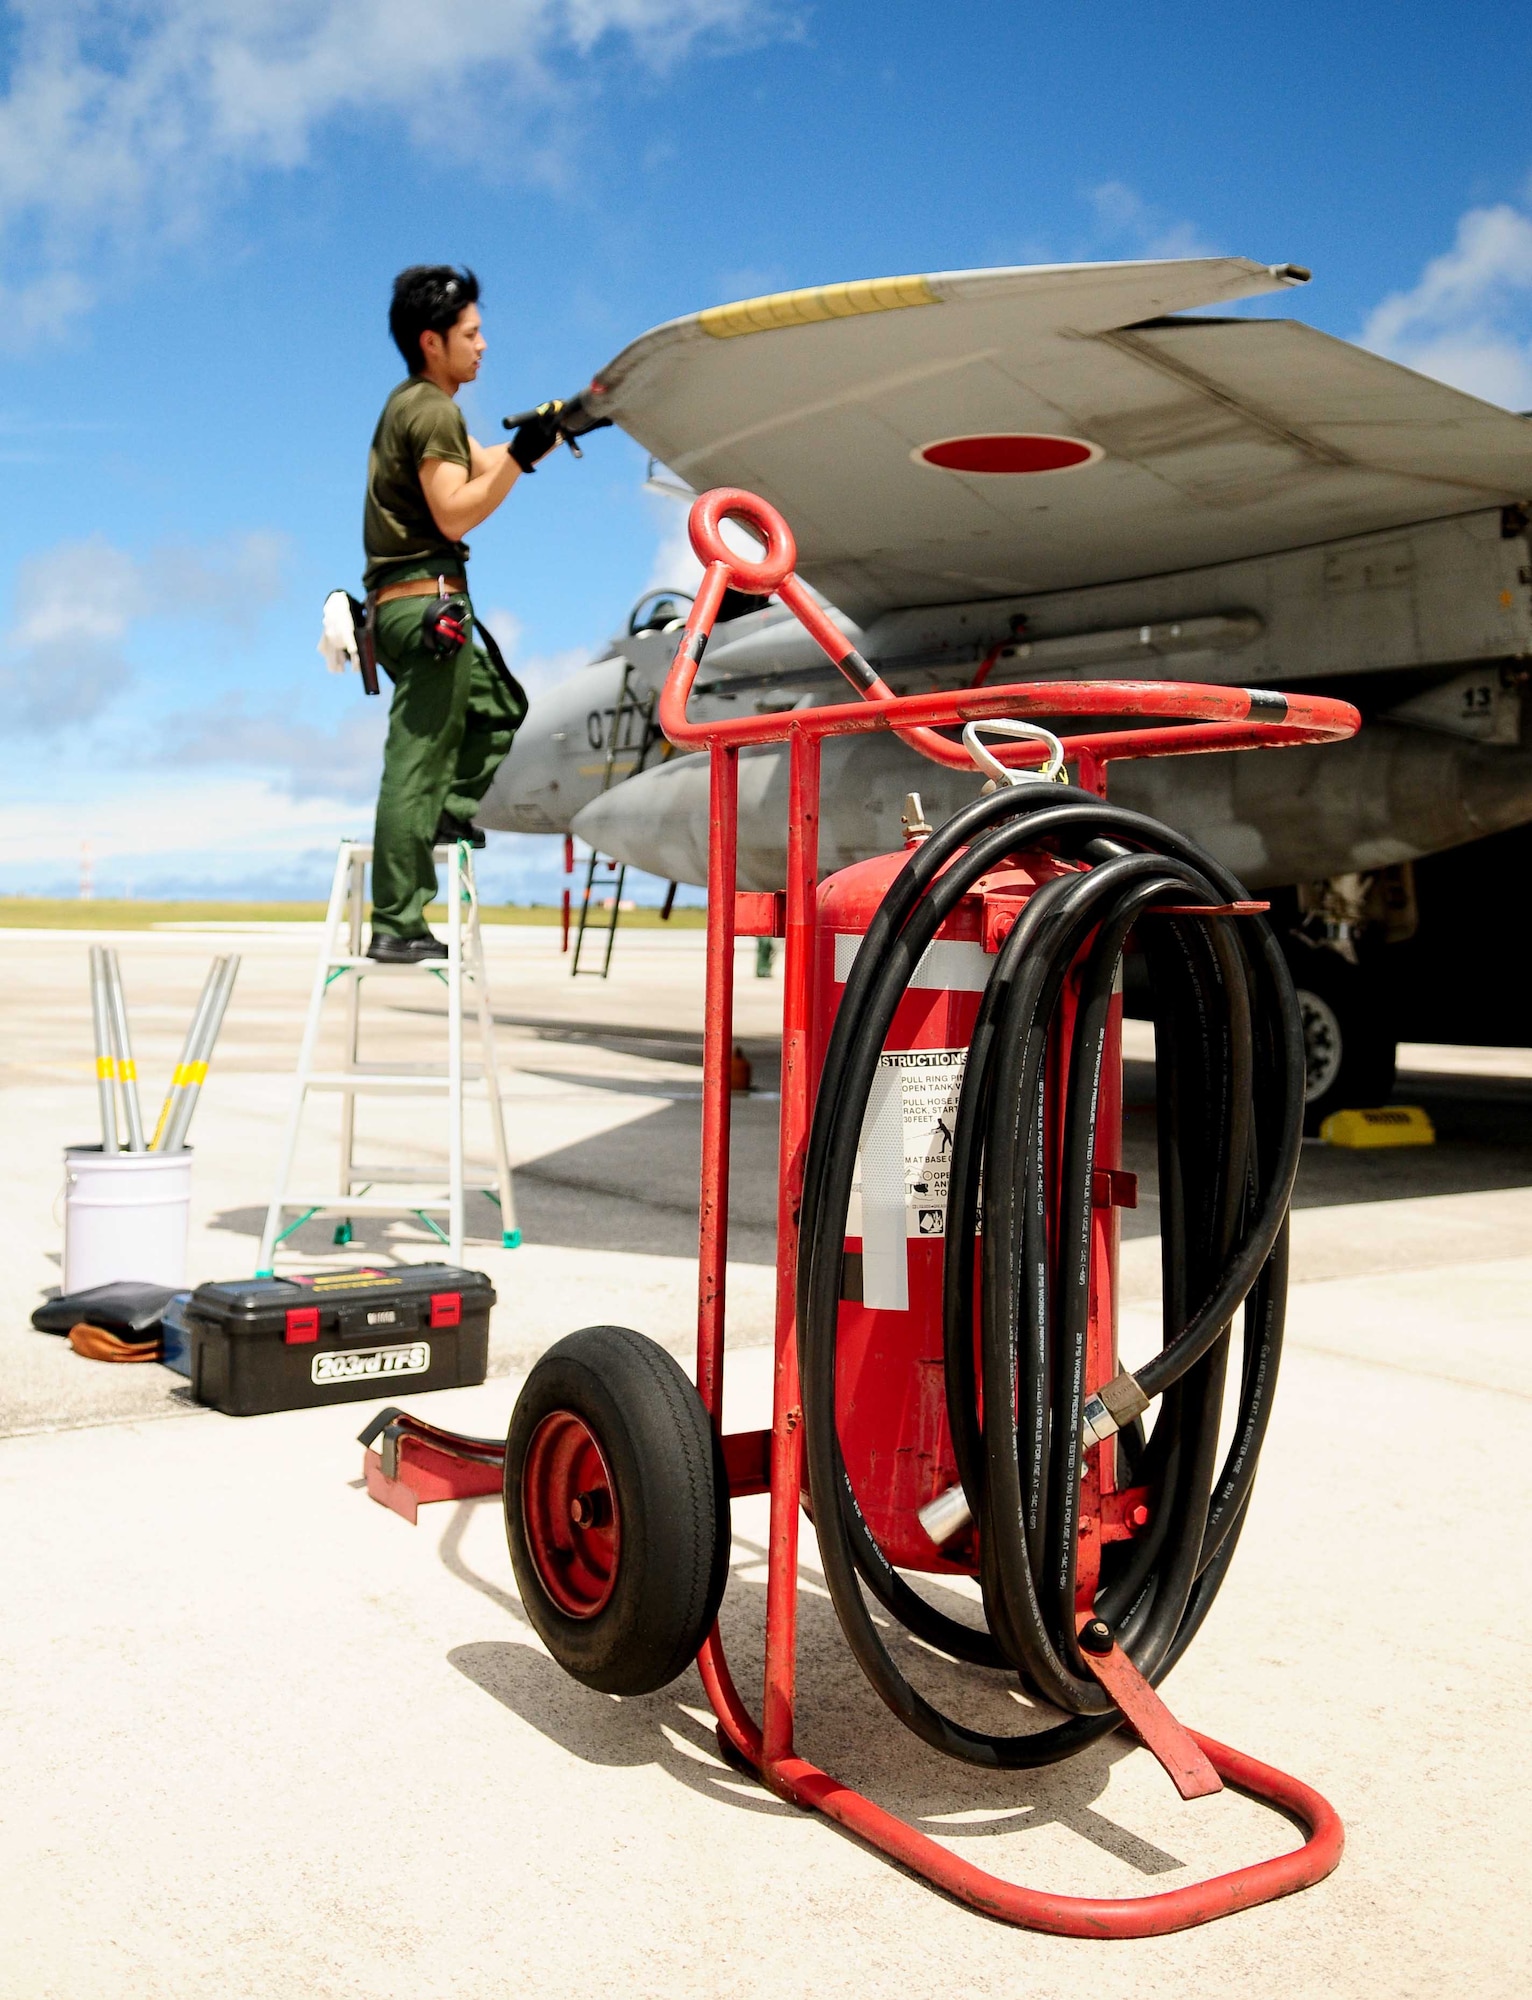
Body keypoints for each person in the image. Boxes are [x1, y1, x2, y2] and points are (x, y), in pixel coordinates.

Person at [361, 265, 562, 963]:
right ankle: (396, 921)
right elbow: (456, 507)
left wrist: (548, 434)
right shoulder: (430, 410)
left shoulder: (419, 405)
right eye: (470, 334)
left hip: (414, 601)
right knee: (416, 762)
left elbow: (483, 461)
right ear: (431, 341)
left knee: (500, 705)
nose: (483, 345)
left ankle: (446, 818)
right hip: (424, 605)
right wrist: (521, 463)